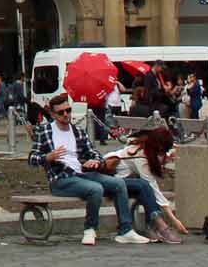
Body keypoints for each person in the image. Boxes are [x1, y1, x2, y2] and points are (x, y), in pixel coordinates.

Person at [28, 92, 156, 246]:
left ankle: (125, 230)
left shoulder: (78, 131)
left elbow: (94, 152)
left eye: (68, 110)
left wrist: (94, 161)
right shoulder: (45, 132)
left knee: (118, 184)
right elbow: (32, 158)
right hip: (61, 178)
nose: (66, 115)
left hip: (83, 173)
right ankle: (90, 228)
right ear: (53, 114)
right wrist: (47, 157)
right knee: (95, 189)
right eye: (61, 112)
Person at [121, 127, 187, 242]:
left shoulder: (147, 149)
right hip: (115, 178)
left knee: (145, 188)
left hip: (130, 179)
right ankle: (161, 227)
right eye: (161, 151)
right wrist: (174, 220)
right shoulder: (141, 156)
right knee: (146, 187)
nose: (162, 154)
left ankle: (151, 227)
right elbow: (153, 187)